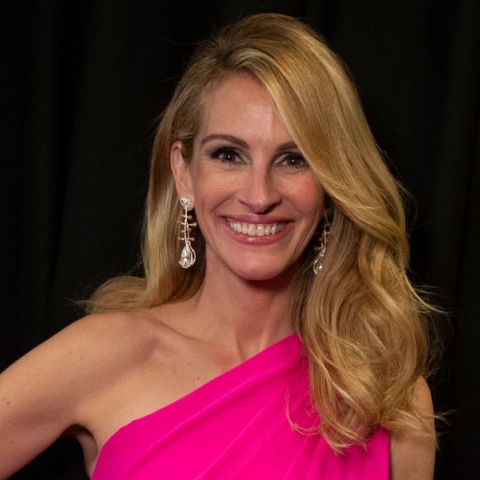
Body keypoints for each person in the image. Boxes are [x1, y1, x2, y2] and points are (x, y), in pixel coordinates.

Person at [0, 13, 436, 479]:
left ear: (331, 186)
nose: (260, 196)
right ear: (184, 172)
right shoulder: (107, 354)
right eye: (228, 155)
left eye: (294, 159)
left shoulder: (390, 395)